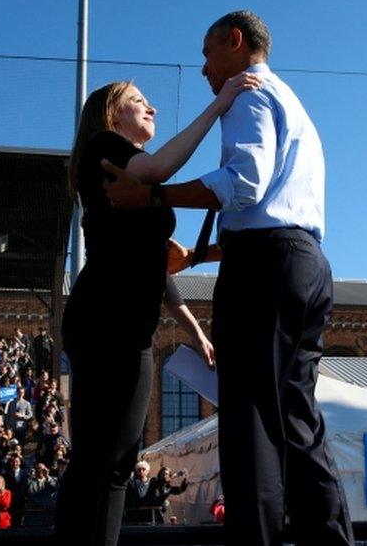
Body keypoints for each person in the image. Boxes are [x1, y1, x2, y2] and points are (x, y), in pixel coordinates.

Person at [102, 10, 352, 546]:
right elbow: (272, 215)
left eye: (207, 54)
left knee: (250, 424)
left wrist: (151, 194)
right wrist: (198, 256)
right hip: (305, 264)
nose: (204, 69)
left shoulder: (248, 95)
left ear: (235, 43)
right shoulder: (291, 103)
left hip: (263, 270)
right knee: (298, 421)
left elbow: (243, 187)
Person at [53, 62, 260, 545]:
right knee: (107, 459)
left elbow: (158, 267)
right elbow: (160, 168)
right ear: (112, 115)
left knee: (115, 458)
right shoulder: (107, 151)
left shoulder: (130, 173)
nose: (152, 106)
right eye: (138, 100)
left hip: (124, 323)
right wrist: (219, 103)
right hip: (108, 321)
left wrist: (195, 331)